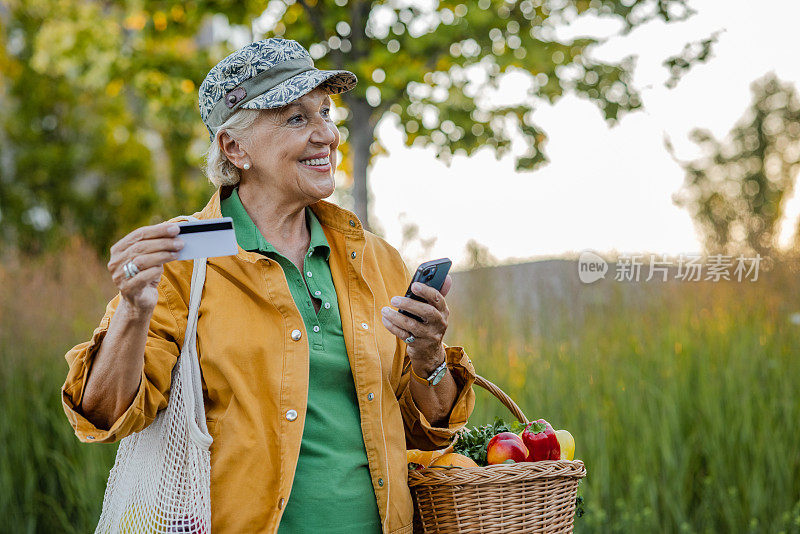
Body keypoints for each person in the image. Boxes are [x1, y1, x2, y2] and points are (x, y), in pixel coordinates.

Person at [61, 38, 477, 533]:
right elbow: (105, 415)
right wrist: (133, 311)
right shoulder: (183, 259)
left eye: (325, 112)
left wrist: (429, 357)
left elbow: (424, 436)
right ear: (234, 147)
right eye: (296, 118)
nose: (326, 134)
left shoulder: (375, 259)